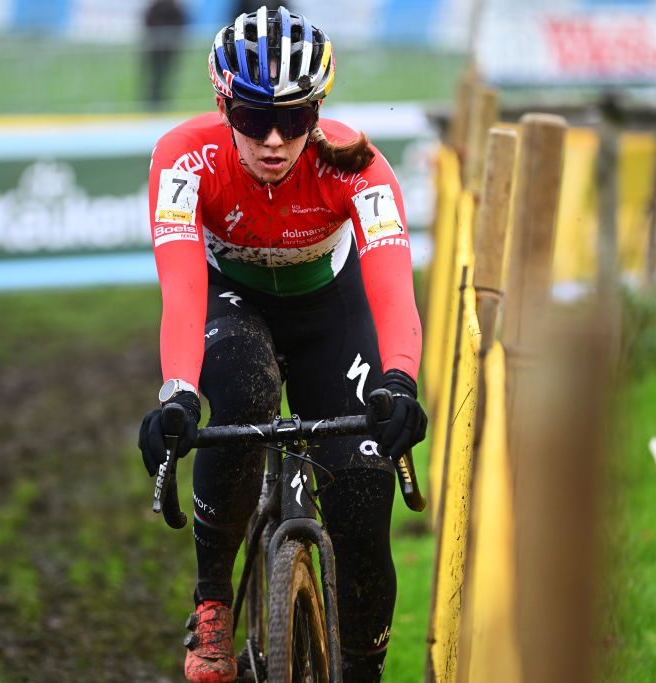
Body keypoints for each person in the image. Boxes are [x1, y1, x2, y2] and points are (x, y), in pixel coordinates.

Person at [138, 6, 427, 682]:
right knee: (241, 390)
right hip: (231, 303)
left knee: (361, 503)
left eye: (295, 119)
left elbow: (391, 285)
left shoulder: (358, 162)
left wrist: (401, 380)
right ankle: (213, 600)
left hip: (331, 309)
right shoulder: (183, 157)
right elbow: (181, 290)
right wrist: (178, 394)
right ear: (221, 104)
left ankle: (364, 669)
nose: (273, 140)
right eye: (252, 117)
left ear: (319, 111)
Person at [141, 0, 187, 109]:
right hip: (156, 49)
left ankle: (161, 101)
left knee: (164, 76)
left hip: (167, 50)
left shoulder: (173, 8)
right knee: (155, 76)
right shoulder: (157, 7)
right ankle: (153, 101)